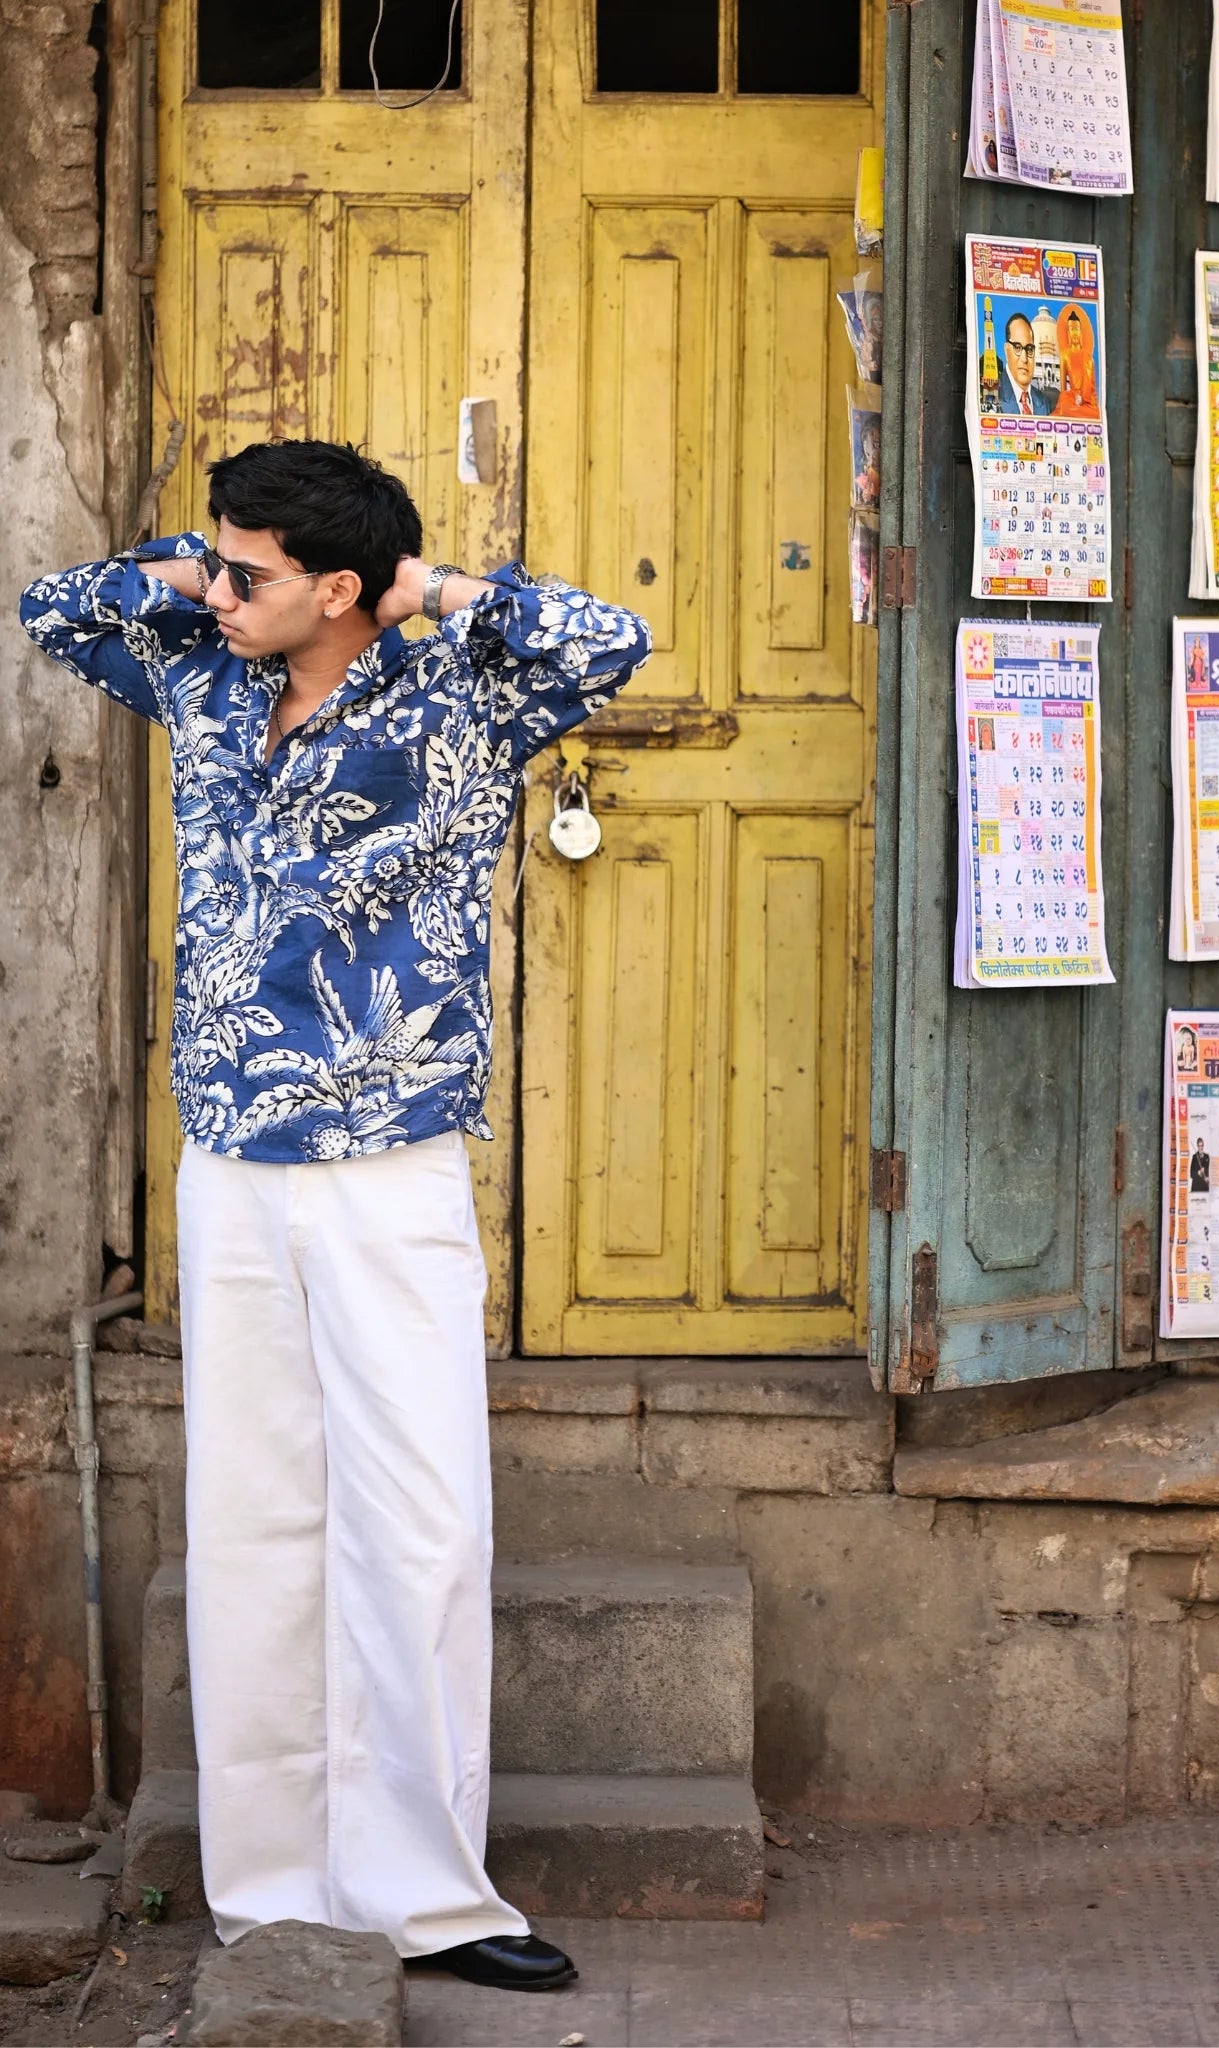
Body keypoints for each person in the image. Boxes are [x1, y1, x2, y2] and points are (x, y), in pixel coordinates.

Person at [19, 439, 652, 1992]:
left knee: (419, 1523)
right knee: (256, 1522)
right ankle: (274, 1889)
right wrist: (195, 565)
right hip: (232, 1162)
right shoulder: (202, 676)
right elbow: (55, 608)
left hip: (389, 1160)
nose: (222, 591)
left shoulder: (458, 698)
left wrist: (432, 588)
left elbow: (607, 641)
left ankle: (429, 1898)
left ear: (344, 588)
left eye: (254, 572)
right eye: (220, 565)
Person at [997, 313, 1056, 416]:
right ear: (1006, 350)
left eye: (1029, 349)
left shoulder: (1044, 401)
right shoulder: (995, 393)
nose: (1024, 359)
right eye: (1017, 348)